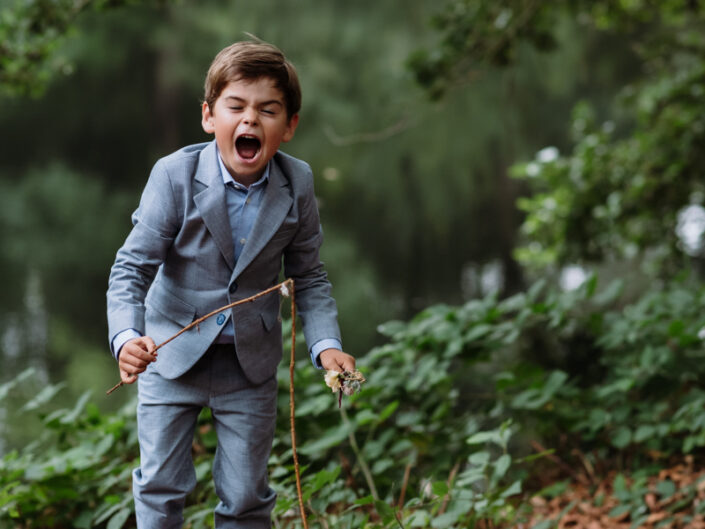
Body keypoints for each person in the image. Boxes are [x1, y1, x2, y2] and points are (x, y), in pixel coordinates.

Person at [106, 39, 355, 528]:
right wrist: (126, 338)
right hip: (169, 354)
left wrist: (327, 346)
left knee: (245, 496)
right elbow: (131, 270)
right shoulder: (174, 176)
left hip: (249, 365)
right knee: (159, 486)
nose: (250, 120)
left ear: (289, 127)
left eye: (268, 110)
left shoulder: (297, 183)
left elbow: (308, 275)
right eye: (235, 107)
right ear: (208, 116)